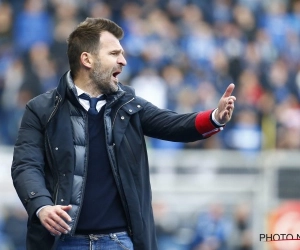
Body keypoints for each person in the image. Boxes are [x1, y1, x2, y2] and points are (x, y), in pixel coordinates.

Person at [11, 17, 236, 250]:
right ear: (87, 59)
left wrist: (215, 118)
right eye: (114, 53)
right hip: (62, 242)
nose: (124, 61)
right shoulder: (41, 109)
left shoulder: (128, 105)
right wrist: (42, 206)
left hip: (119, 242)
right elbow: (26, 165)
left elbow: (174, 125)